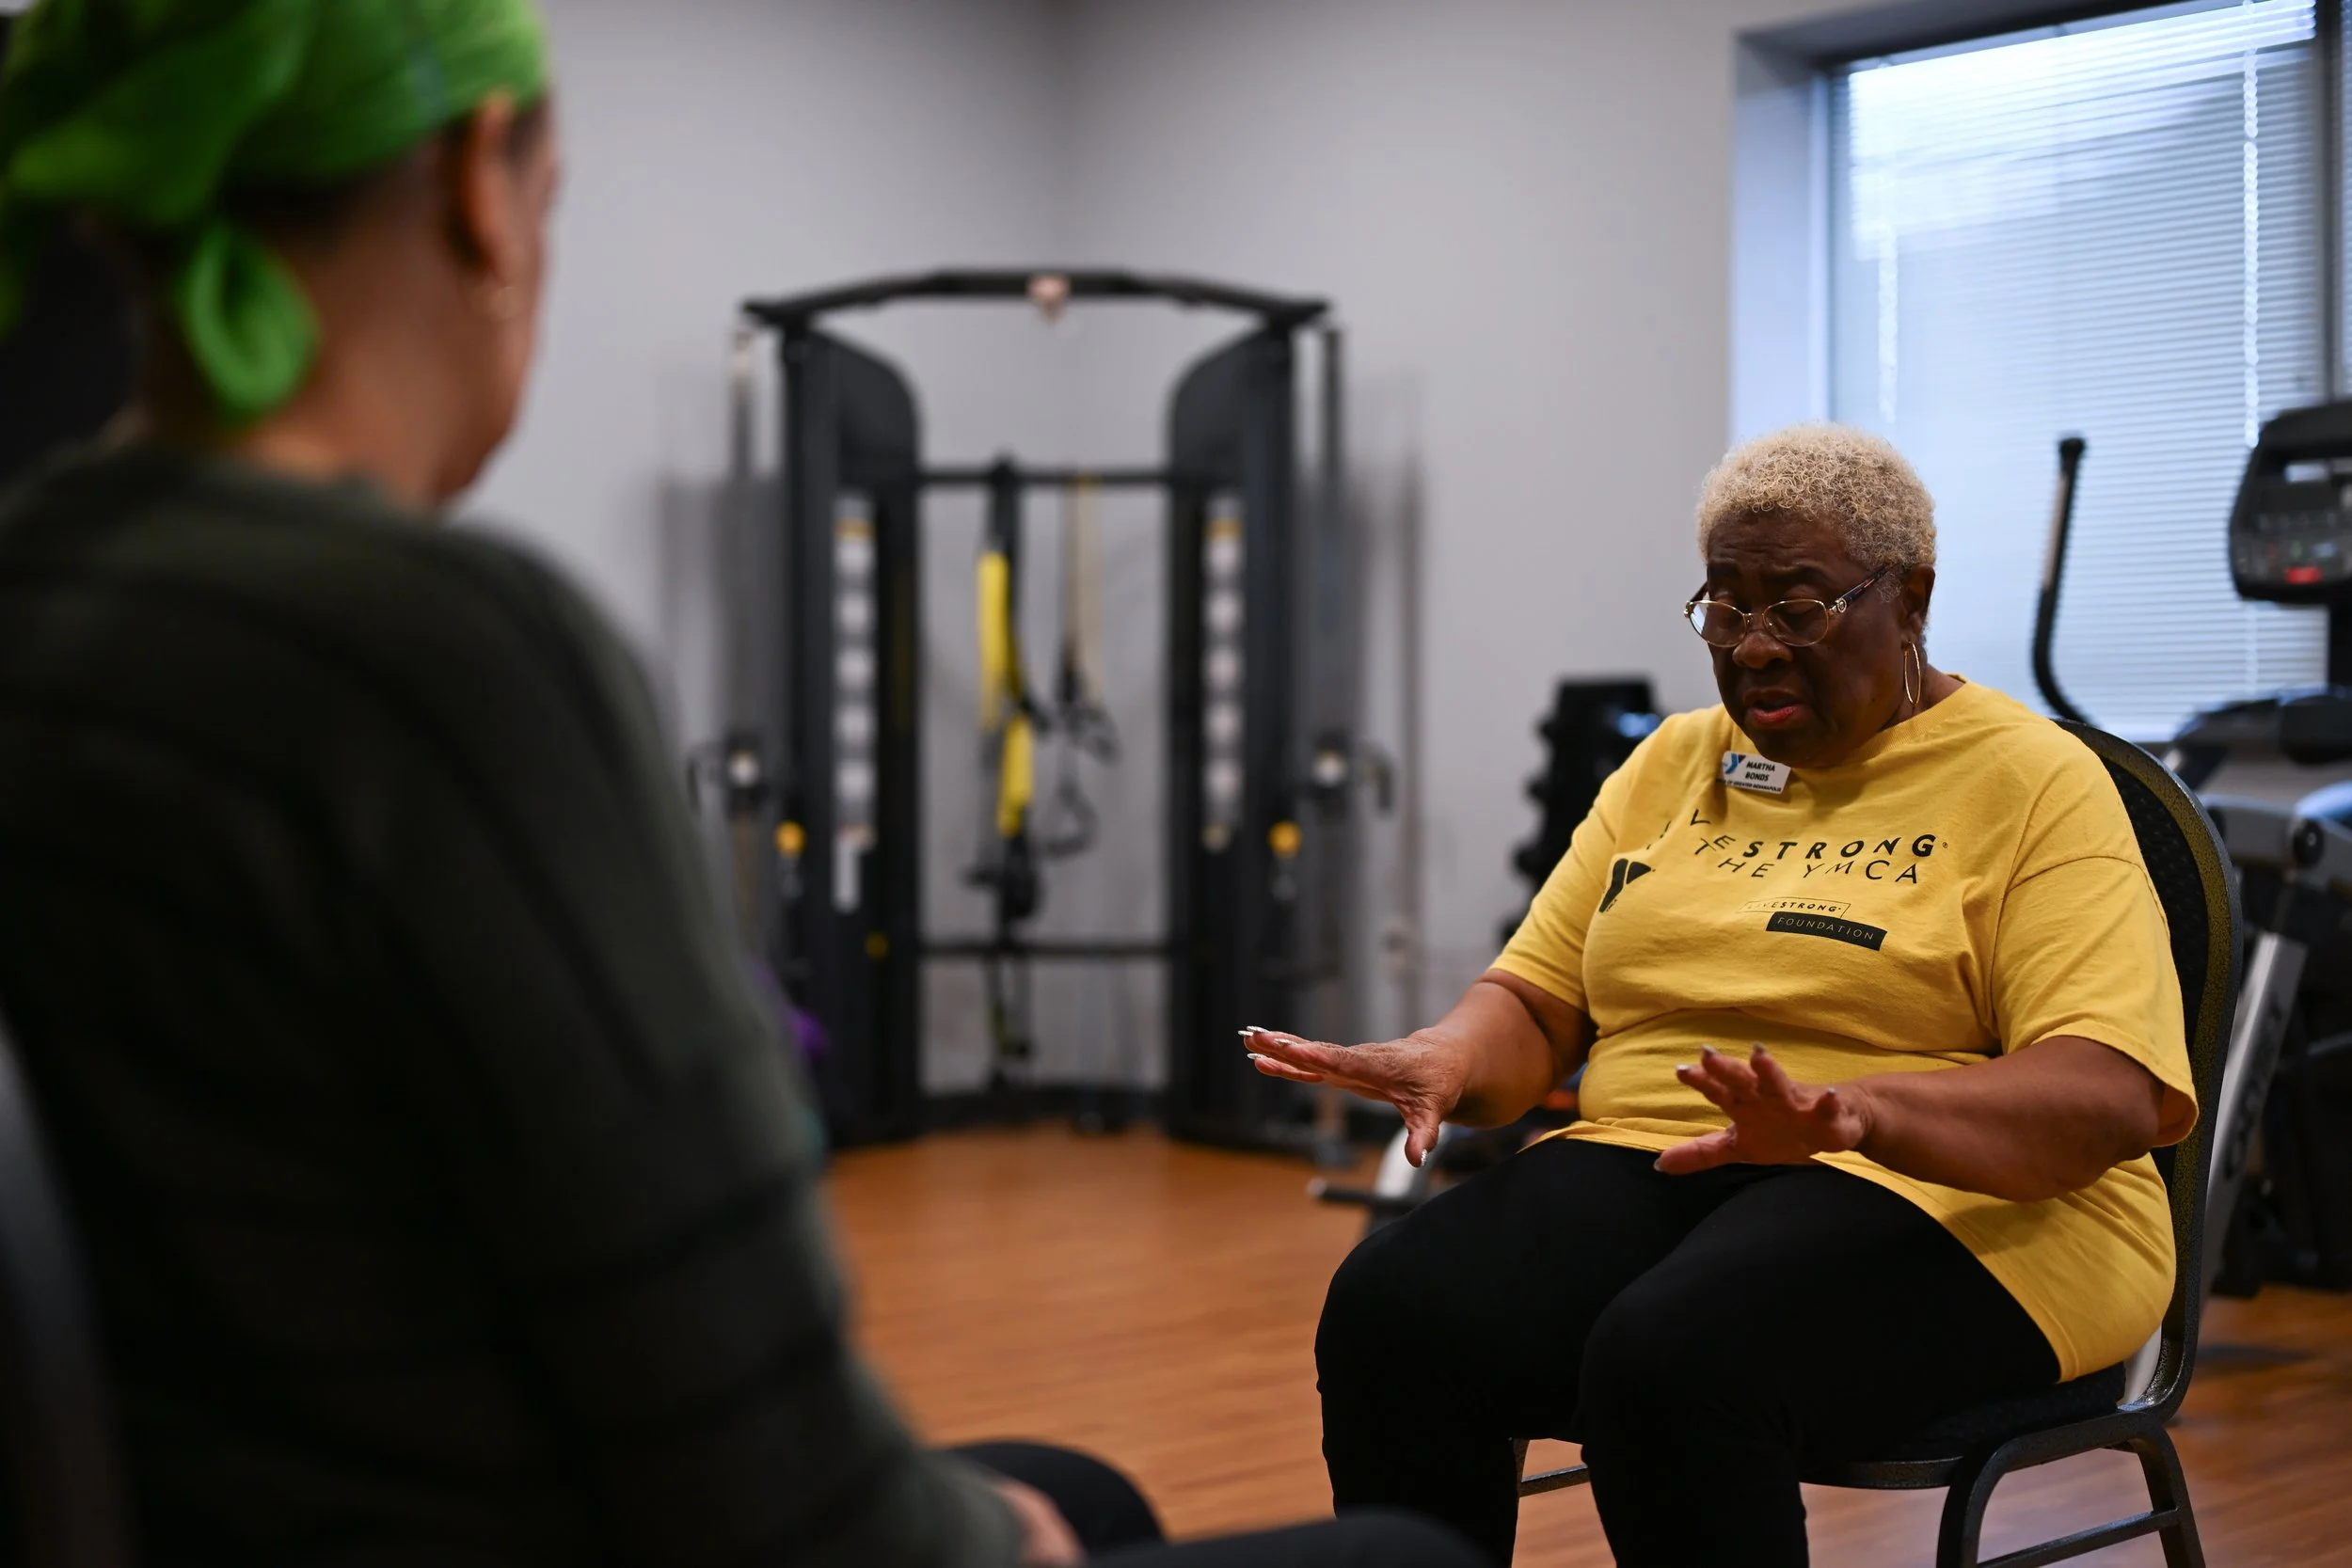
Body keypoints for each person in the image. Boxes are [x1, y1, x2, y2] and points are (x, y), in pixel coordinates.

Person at [0, 5, 1479, 1566]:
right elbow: (758, 1457)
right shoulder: (439, 653)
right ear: (477, 184)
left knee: (1085, 1480)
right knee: (1390, 1556)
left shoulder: (41, 597)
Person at [1245, 423, 2199, 1568]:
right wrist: (1448, 1054)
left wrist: (1861, 1115)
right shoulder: (1673, 763)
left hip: (1979, 1200)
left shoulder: (2036, 781)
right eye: (1725, 609)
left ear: (1910, 598)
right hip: (1672, 1157)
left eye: (1797, 609)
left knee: (1678, 1355)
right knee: (1395, 1308)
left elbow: (2105, 1097)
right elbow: (1539, 1002)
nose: (1752, 648)